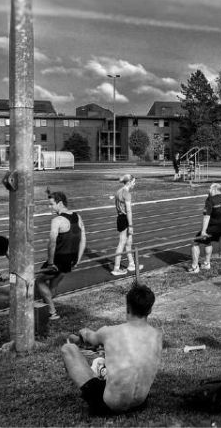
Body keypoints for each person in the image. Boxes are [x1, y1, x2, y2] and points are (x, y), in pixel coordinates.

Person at [61, 282, 162, 415]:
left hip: (108, 406)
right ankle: (102, 370)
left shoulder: (109, 332)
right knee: (110, 360)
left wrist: (82, 333)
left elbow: (90, 338)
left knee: (68, 349)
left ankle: (100, 372)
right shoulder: (157, 335)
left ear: (128, 307)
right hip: (140, 404)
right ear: (150, 310)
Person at [36, 191, 86, 320]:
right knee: (53, 285)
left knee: (39, 280)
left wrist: (51, 263)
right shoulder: (78, 217)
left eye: (51, 204)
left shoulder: (57, 220)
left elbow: (51, 243)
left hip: (59, 259)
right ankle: (45, 309)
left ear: (60, 203)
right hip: (71, 259)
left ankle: (52, 312)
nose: (50, 207)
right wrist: (77, 260)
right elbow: (83, 240)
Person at [188, 183, 221, 273]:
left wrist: (203, 231)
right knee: (208, 241)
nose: (209, 190)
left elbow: (206, 216)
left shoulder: (210, 200)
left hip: (213, 228)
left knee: (195, 241)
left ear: (214, 189)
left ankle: (195, 267)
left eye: (210, 189)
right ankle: (207, 264)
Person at [112, 174, 138, 276]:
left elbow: (118, 206)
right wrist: (130, 226)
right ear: (129, 182)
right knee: (122, 243)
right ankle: (116, 268)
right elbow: (128, 210)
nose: (134, 184)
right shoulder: (127, 194)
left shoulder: (118, 191)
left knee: (128, 242)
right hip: (125, 218)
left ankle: (131, 264)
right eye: (134, 182)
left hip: (119, 217)